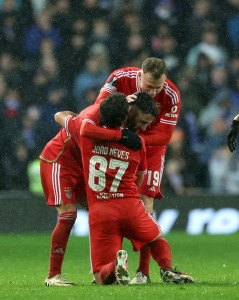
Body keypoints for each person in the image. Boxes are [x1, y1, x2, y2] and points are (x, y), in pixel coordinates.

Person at [56, 92, 194, 285]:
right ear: (127, 114)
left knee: (101, 278)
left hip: (100, 210)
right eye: (144, 121)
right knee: (156, 237)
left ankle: (115, 266)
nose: (145, 127)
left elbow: (61, 116)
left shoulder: (86, 133)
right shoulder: (138, 143)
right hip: (129, 205)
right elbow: (139, 178)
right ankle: (167, 268)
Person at [93, 57, 181, 284]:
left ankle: (143, 272)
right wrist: (122, 102)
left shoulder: (171, 95)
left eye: (157, 87)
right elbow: (99, 108)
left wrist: (136, 138)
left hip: (149, 149)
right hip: (118, 142)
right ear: (139, 76)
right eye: (149, 86)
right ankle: (111, 264)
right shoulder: (119, 77)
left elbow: (165, 136)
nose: (152, 92)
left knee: (145, 203)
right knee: (116, 201)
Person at [40, 95, 141, 287]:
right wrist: (120, 136)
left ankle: (101, 268)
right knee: (68, 215)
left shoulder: (113, 116)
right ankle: (53, 276)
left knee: (102, 211)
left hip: (83, 168)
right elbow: (60, 115)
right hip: (59, 161)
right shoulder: (86, 122)